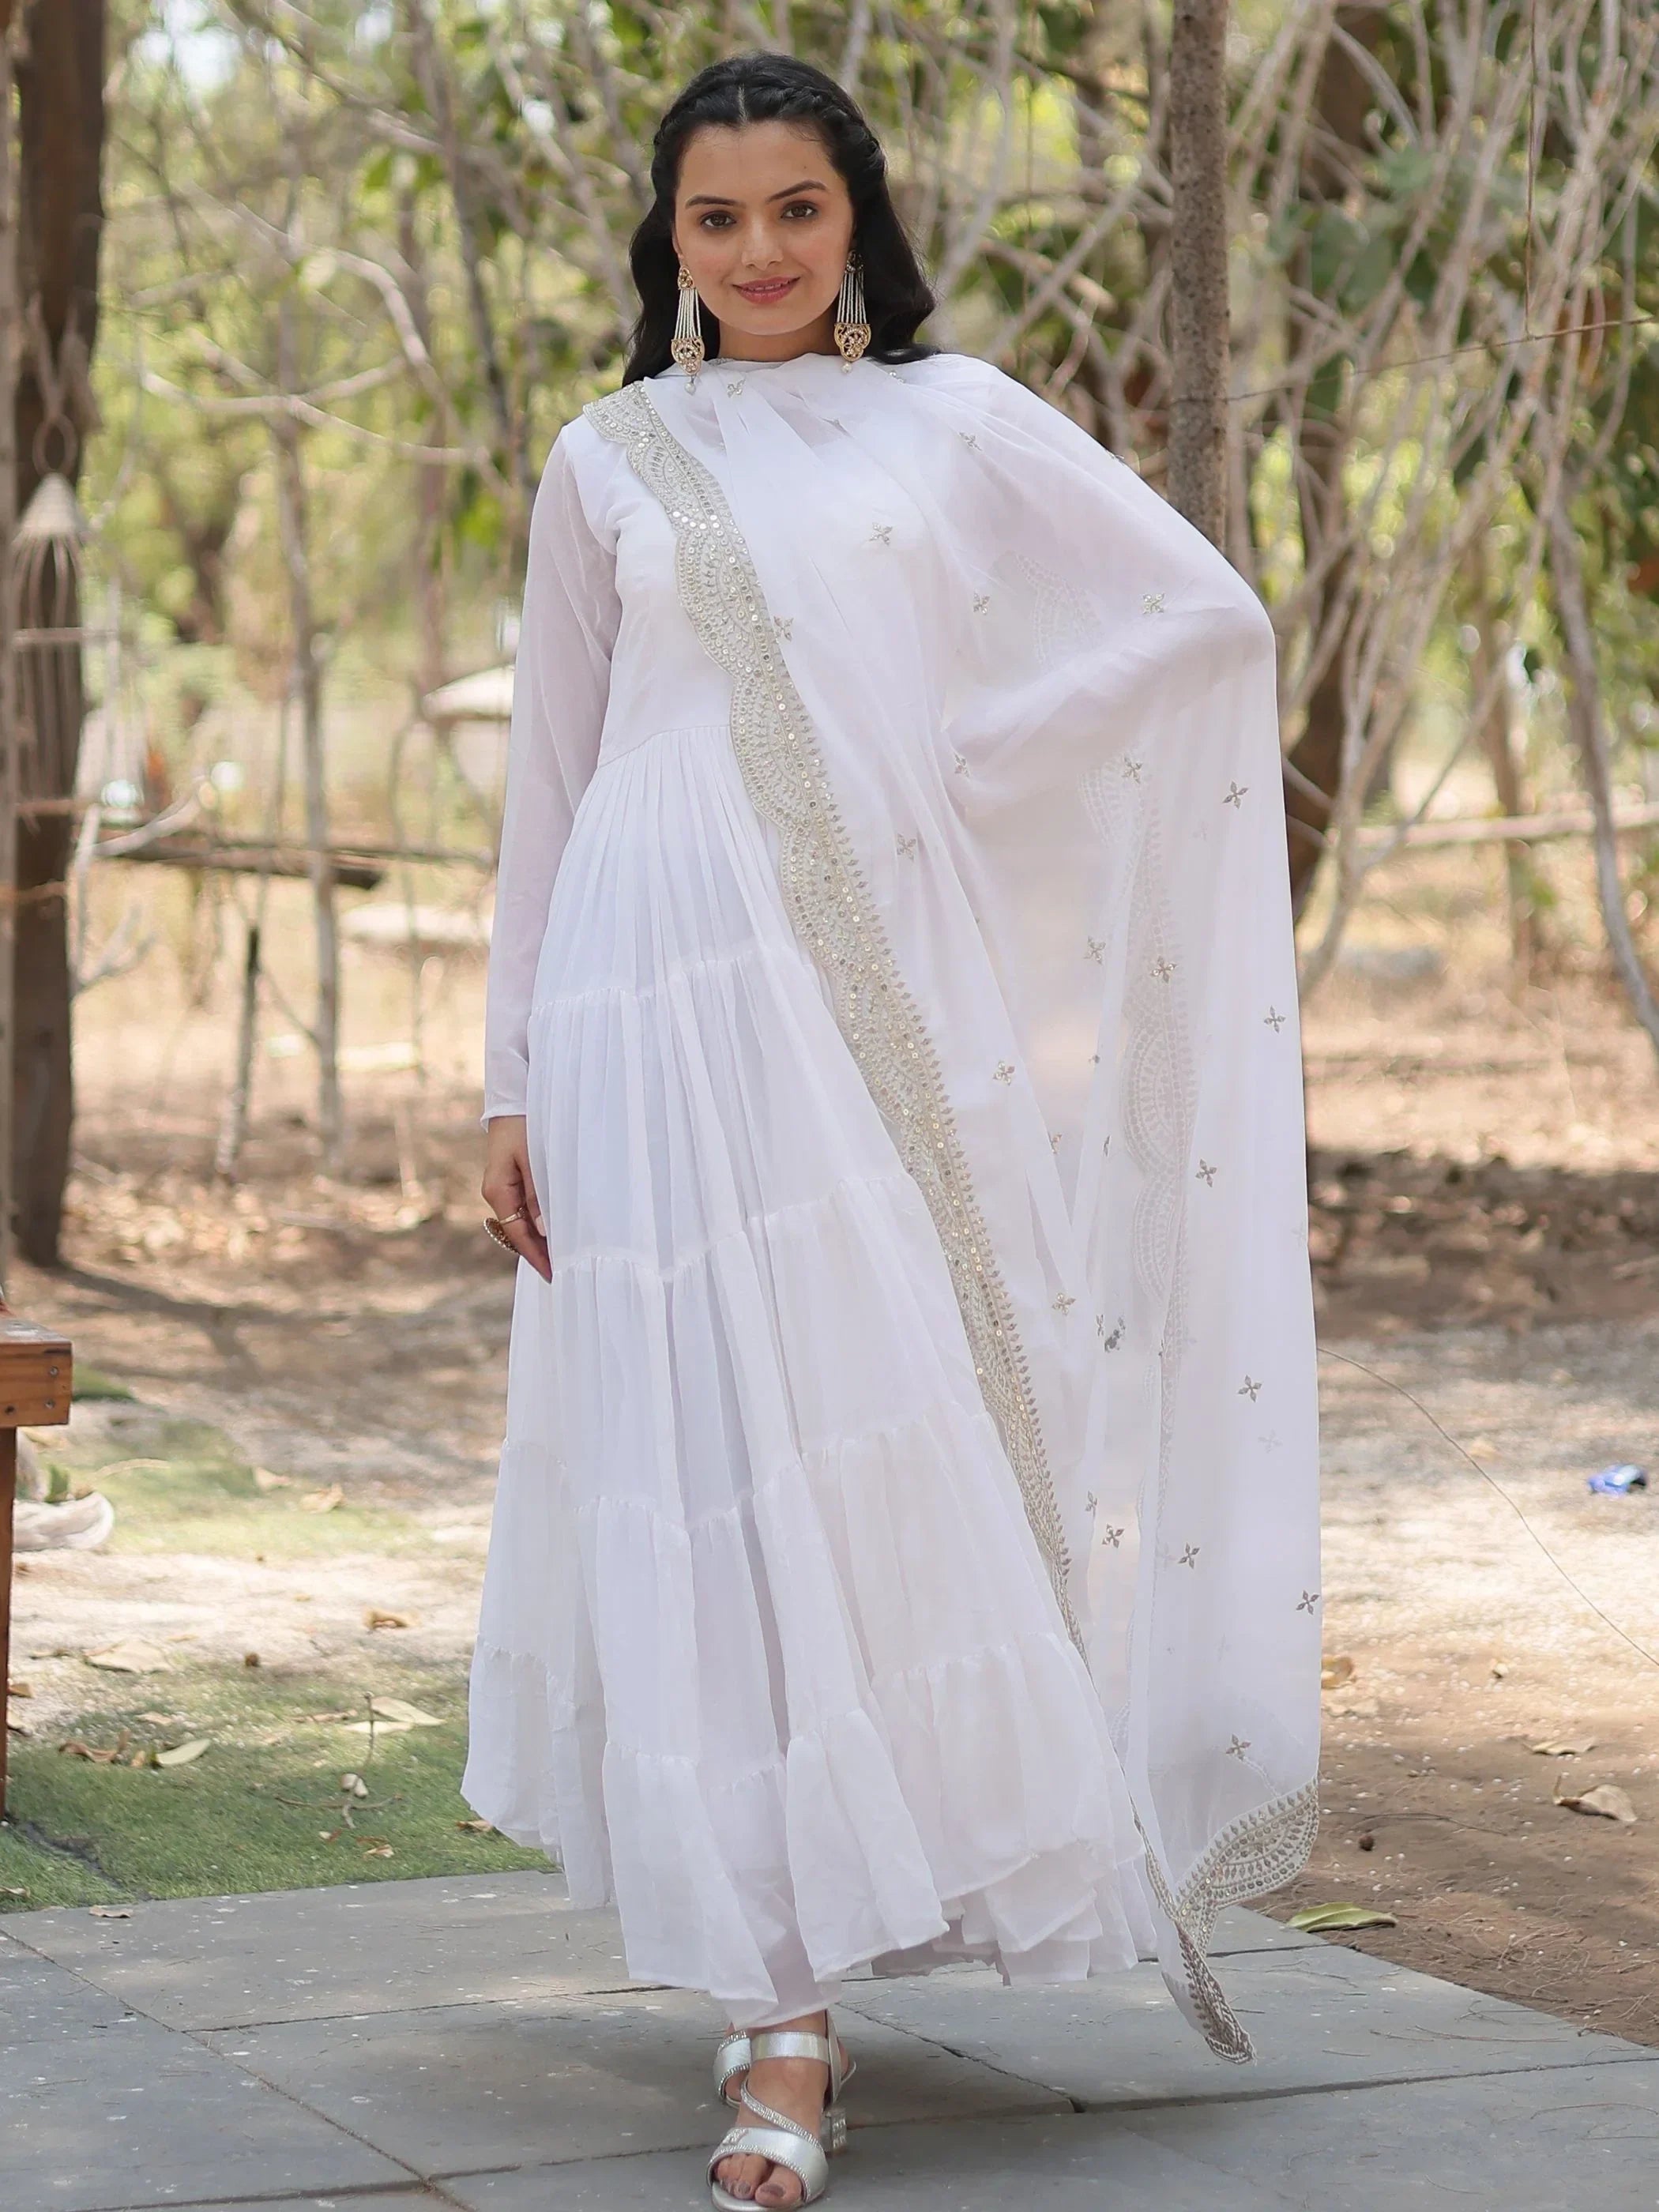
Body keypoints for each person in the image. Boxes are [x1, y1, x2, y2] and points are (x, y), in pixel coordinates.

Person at [466, 49, 1319, 2212]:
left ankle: (889, 1888)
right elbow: (549, 786)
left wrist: (952, 775)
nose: (753, 253)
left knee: (876, 1440)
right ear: (666, 242)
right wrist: (508, 1072)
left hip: (859, 1009)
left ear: (859, 225)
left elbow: (1200, 620)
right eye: (713, 219)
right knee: (708, 1475)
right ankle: (778, 2016)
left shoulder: (957, 422)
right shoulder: (608, 458)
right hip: (641, 1007)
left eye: (795, 213)